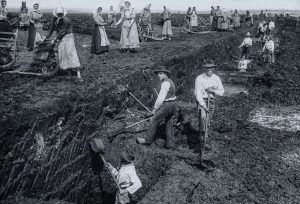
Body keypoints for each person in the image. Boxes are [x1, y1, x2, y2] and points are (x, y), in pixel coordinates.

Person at [136, 66, 177, 149]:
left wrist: (154, 110)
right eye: (158, 74)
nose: (158, 75)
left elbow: (160, 99)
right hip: (174, 104)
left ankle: (147, 140)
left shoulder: (165, 83)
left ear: (165, 74)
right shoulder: (171, 81)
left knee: (153, 120)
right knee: (169, 123)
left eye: (161, 73)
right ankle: (170, 144)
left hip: (168, 104)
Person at [45, 6, 82, 79]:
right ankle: (65, 68)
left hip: (68, 36)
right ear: (56, 14)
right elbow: (52, 28)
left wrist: (55, 39)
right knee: (61, 51)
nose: (59, 15)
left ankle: (77, 71)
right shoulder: (54, 19)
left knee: (70, 52)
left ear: (63, 14)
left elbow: (62, 31)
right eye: (58, 14)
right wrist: (47, 37)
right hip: (61, 36)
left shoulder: (66, 20)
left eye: (61, 14)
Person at [194, 62, 224, 151]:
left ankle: (204, 139)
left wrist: (213, 90)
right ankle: (203, 142)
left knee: (208, 122)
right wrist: (203, 105)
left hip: (211, 101)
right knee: (203, 118)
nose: (209, 70)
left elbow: (222, 92)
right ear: (204, 69)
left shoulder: (216, 78)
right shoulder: (199, 78)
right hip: (202, 100)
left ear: (214, 69)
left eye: (211, 68)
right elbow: (197, 93)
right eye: (207, 68)